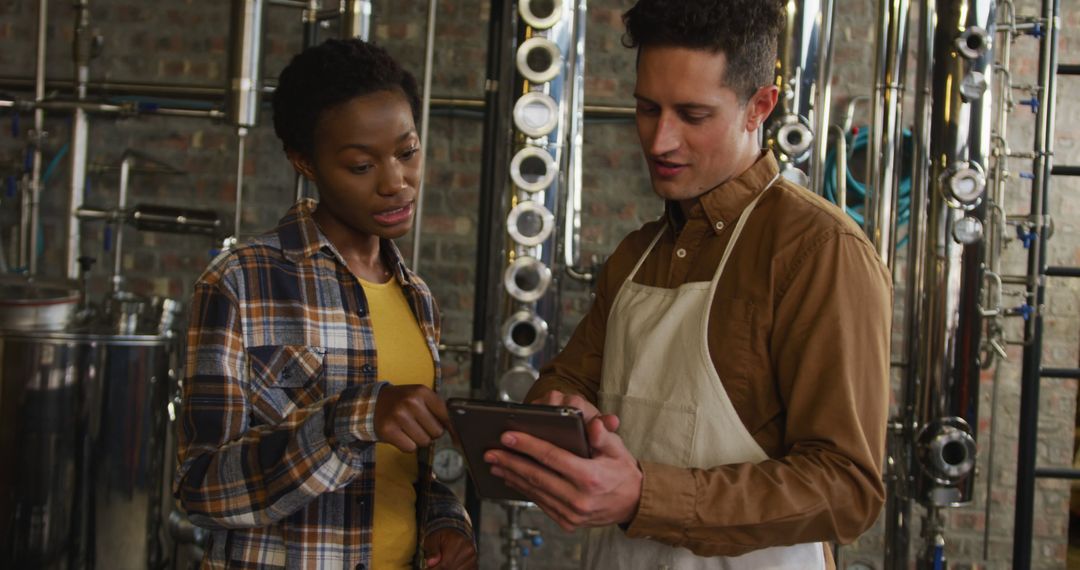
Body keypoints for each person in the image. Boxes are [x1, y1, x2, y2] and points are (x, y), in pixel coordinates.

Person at [483, 1, 892, 568]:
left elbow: (847, 488)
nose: (659, 141)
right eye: (647, 109)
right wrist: (559, 411)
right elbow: (566, 379)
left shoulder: (819, 252)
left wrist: (645, 496)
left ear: (760, 107)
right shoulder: (635, 254)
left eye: (693, 115)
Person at [174, 38, 476, 570]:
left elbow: (400, 472)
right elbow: (201, 491)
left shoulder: (418, 297)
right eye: (361, 166)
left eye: (407, 152)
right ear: (303, 161)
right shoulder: (242, 281)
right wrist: (349, 421)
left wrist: (445, 522)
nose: (396, 183)